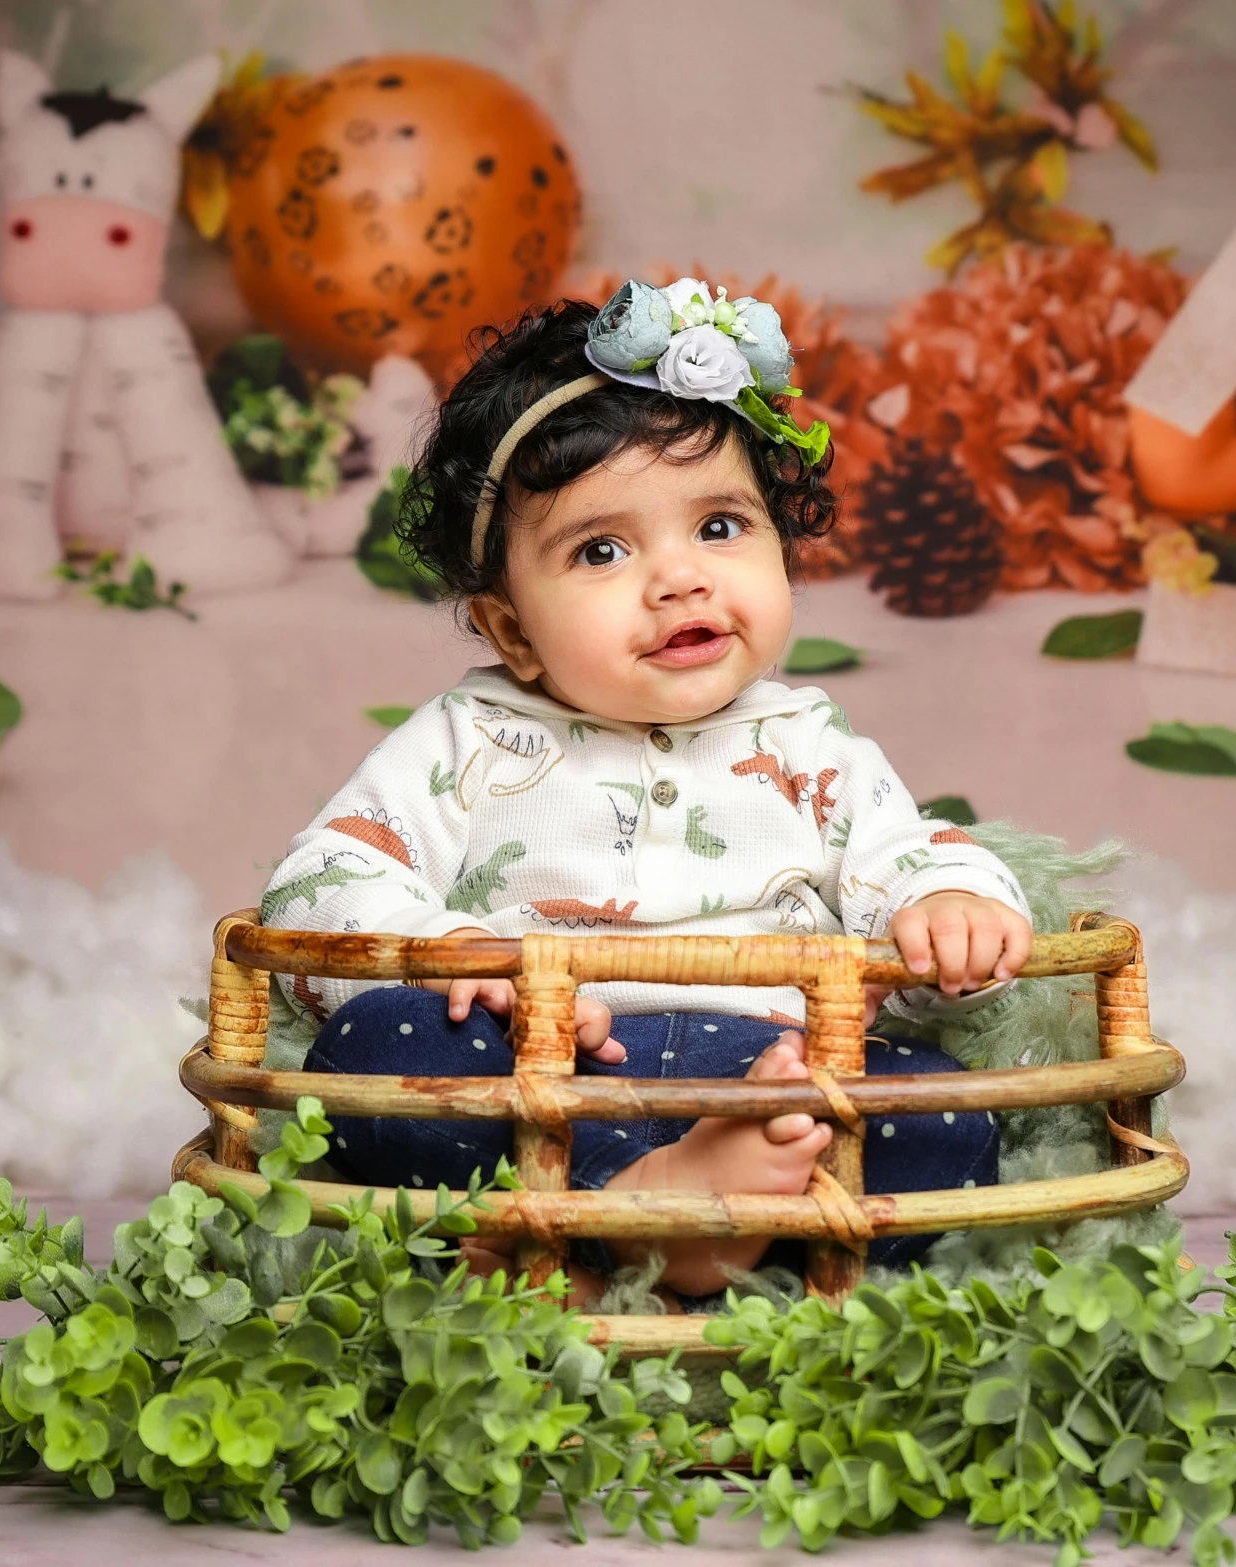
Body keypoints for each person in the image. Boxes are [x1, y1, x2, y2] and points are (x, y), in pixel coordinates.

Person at [262, 278, 1032, 1297]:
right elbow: (320, 881)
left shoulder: (809, 741)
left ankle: (623, 1235)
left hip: (772, 1078)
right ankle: (648, 1212)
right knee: (379, 1047)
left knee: (941, 1112)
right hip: (557, 1076)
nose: (680, 579)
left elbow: (907, 851)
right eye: (602, 549)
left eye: (719, 527)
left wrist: (951, 904)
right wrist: (449, 953)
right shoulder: (467, 738)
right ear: (510, 631)